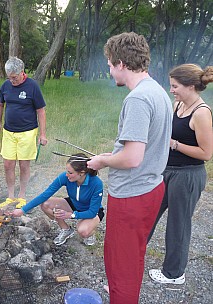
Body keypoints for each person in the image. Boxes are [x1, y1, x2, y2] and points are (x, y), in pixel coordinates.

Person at [86, 32, 173, 304]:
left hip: (132, 197)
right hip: (151, 188)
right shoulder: (158, 91)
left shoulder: (137, 99)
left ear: (122, 63)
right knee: (133, 257)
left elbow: (132, 157)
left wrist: (102, 159)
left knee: (120, 267)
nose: (109, 70)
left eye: (110, 64)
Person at [148, 64, 213, 284]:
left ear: (191, 86)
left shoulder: (201, 112)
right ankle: (134, 253)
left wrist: (174, 144)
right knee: (149, 213)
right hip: (166, 171)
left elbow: (206, 153)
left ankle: (174, 274)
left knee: (178, 224)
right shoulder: (178, 104)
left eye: (175, 86)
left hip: (187, 176)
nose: (172, 90)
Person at [12, 153, 104, 246]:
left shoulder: (96, 183)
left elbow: (92, 212)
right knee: (45, 204)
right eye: (67, 171)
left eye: (70, 173)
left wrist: (71, 215)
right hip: (74, 204)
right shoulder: (65, 177)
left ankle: (90, 233)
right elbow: (45, 195)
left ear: (82, 172)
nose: (67, 175)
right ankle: (66, 229)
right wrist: (23, 210)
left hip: (92, 211)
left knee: (83, 231)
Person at [0, 57, 47, 209]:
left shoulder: (32, 86)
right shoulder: (5, 86)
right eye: (9, 77)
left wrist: (42, 134)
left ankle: (22, 196)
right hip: (9, 132)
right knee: (8, 164)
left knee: (24, 165)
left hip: (28, 132)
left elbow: (41, 111)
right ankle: (11, 196)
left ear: (22, 72)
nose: (12, 81)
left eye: (14, 77)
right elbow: (0, 104)